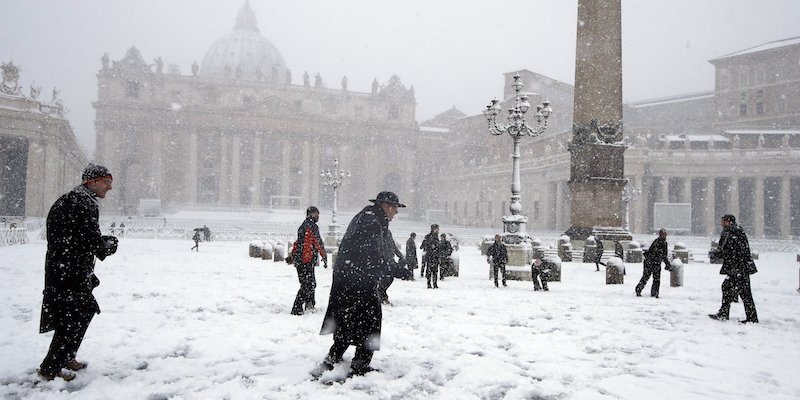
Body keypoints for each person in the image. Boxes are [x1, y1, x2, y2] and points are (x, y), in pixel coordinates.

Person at [38, 163, 119, 382]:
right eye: (106, 182)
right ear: (91, 182)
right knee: (73, 317)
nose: (109, 188)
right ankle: (50, 368)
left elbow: (76, 237)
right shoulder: (83, 203)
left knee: (80, 312)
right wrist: (110, 244)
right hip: (70, 271)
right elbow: (92, 241)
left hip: (64, 268)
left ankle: (65, 357)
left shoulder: (72, 199)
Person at [316, 191, 405, 377]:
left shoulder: (368, 217)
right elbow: (370, 254)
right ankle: (360, 364)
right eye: (394, 208)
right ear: (386, 206)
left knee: (348, 319)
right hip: (358, 280)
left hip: (349, 279)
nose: (396, 212)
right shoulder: (371, 222)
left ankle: (333, 357)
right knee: (369, 321)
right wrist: (392, 268)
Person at [709, 215, 759, 323]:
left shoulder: (736, 232)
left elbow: (735, 250)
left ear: (728, 221)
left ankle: (751, 318)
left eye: (722, 221)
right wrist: (718, 253)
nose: (720, 223)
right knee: (727, 287)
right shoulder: (729, 232)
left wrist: (719, 253)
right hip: (736, 267)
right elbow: (728, 249)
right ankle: (724, 313)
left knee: (745, 293)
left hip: (740, 268)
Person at [291, 206, 327, 315]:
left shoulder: (303, 225)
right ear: (310, 214)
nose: (317, 216)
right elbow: (318, 242)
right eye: (316, 214)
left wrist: (293, 255)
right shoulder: (312, 226)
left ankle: (310, 303)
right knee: (308, 284)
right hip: (305, 260)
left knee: (308, 283)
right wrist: (324, 256)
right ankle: (297, 307)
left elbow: (299, 242)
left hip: (301, 259)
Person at [635, 228, 670, 298]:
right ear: (661, 234)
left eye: (665, 234)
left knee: (656, 278)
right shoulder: (658, 242)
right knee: (647, 277)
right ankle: (639, 289)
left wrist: (667, 264)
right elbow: (661, 254)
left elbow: (663, 255)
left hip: (655, 262)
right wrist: (667, 264)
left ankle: (654, 293)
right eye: (664, 234)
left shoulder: (663, 243)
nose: (665, 235)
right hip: (651, 262)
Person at [378, 230, 405, 305]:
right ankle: (382, 296)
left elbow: (394, 246)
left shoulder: (388, 233)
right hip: (384, 261)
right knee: (386, 279)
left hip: (391, 261)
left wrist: (400, 255)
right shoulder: (379, 232)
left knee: (390, 278)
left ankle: (382, 294)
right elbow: (379, 247)